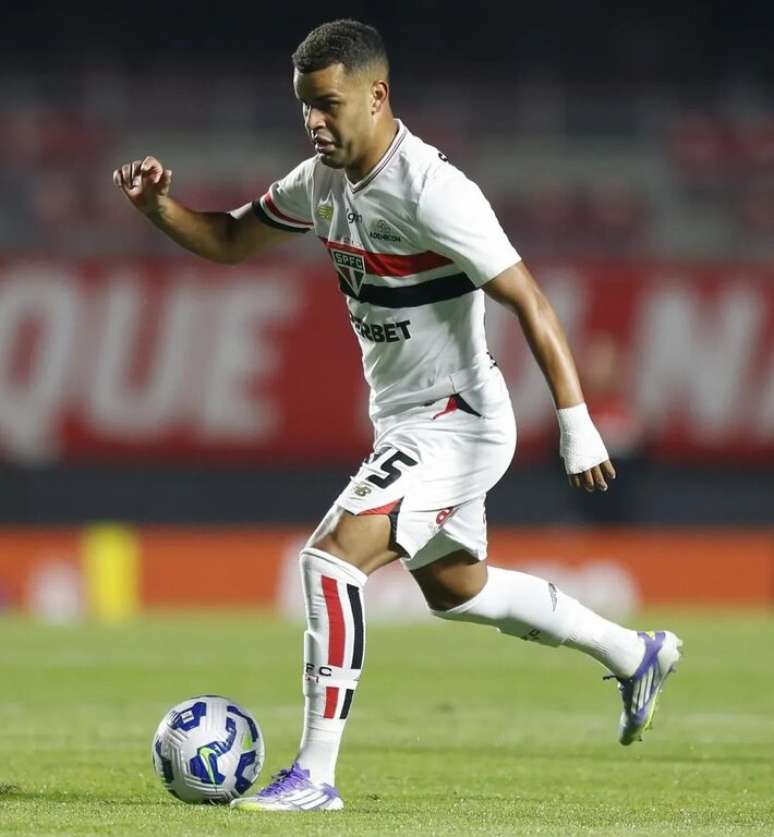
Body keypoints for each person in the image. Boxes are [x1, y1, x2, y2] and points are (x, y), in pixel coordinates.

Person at [113, 19, 681, 813]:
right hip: (407, 420)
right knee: (458, 590)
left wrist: (576, 420)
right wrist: (158, 207)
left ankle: (315, 775)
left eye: (329, 104)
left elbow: (529, 298)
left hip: (457, 417)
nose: (314, 121)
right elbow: (232, 238)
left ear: (377, 96)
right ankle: (633, 651)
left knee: (330, 562)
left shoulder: (431, 190)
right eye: (305, 106)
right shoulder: (321, 182)